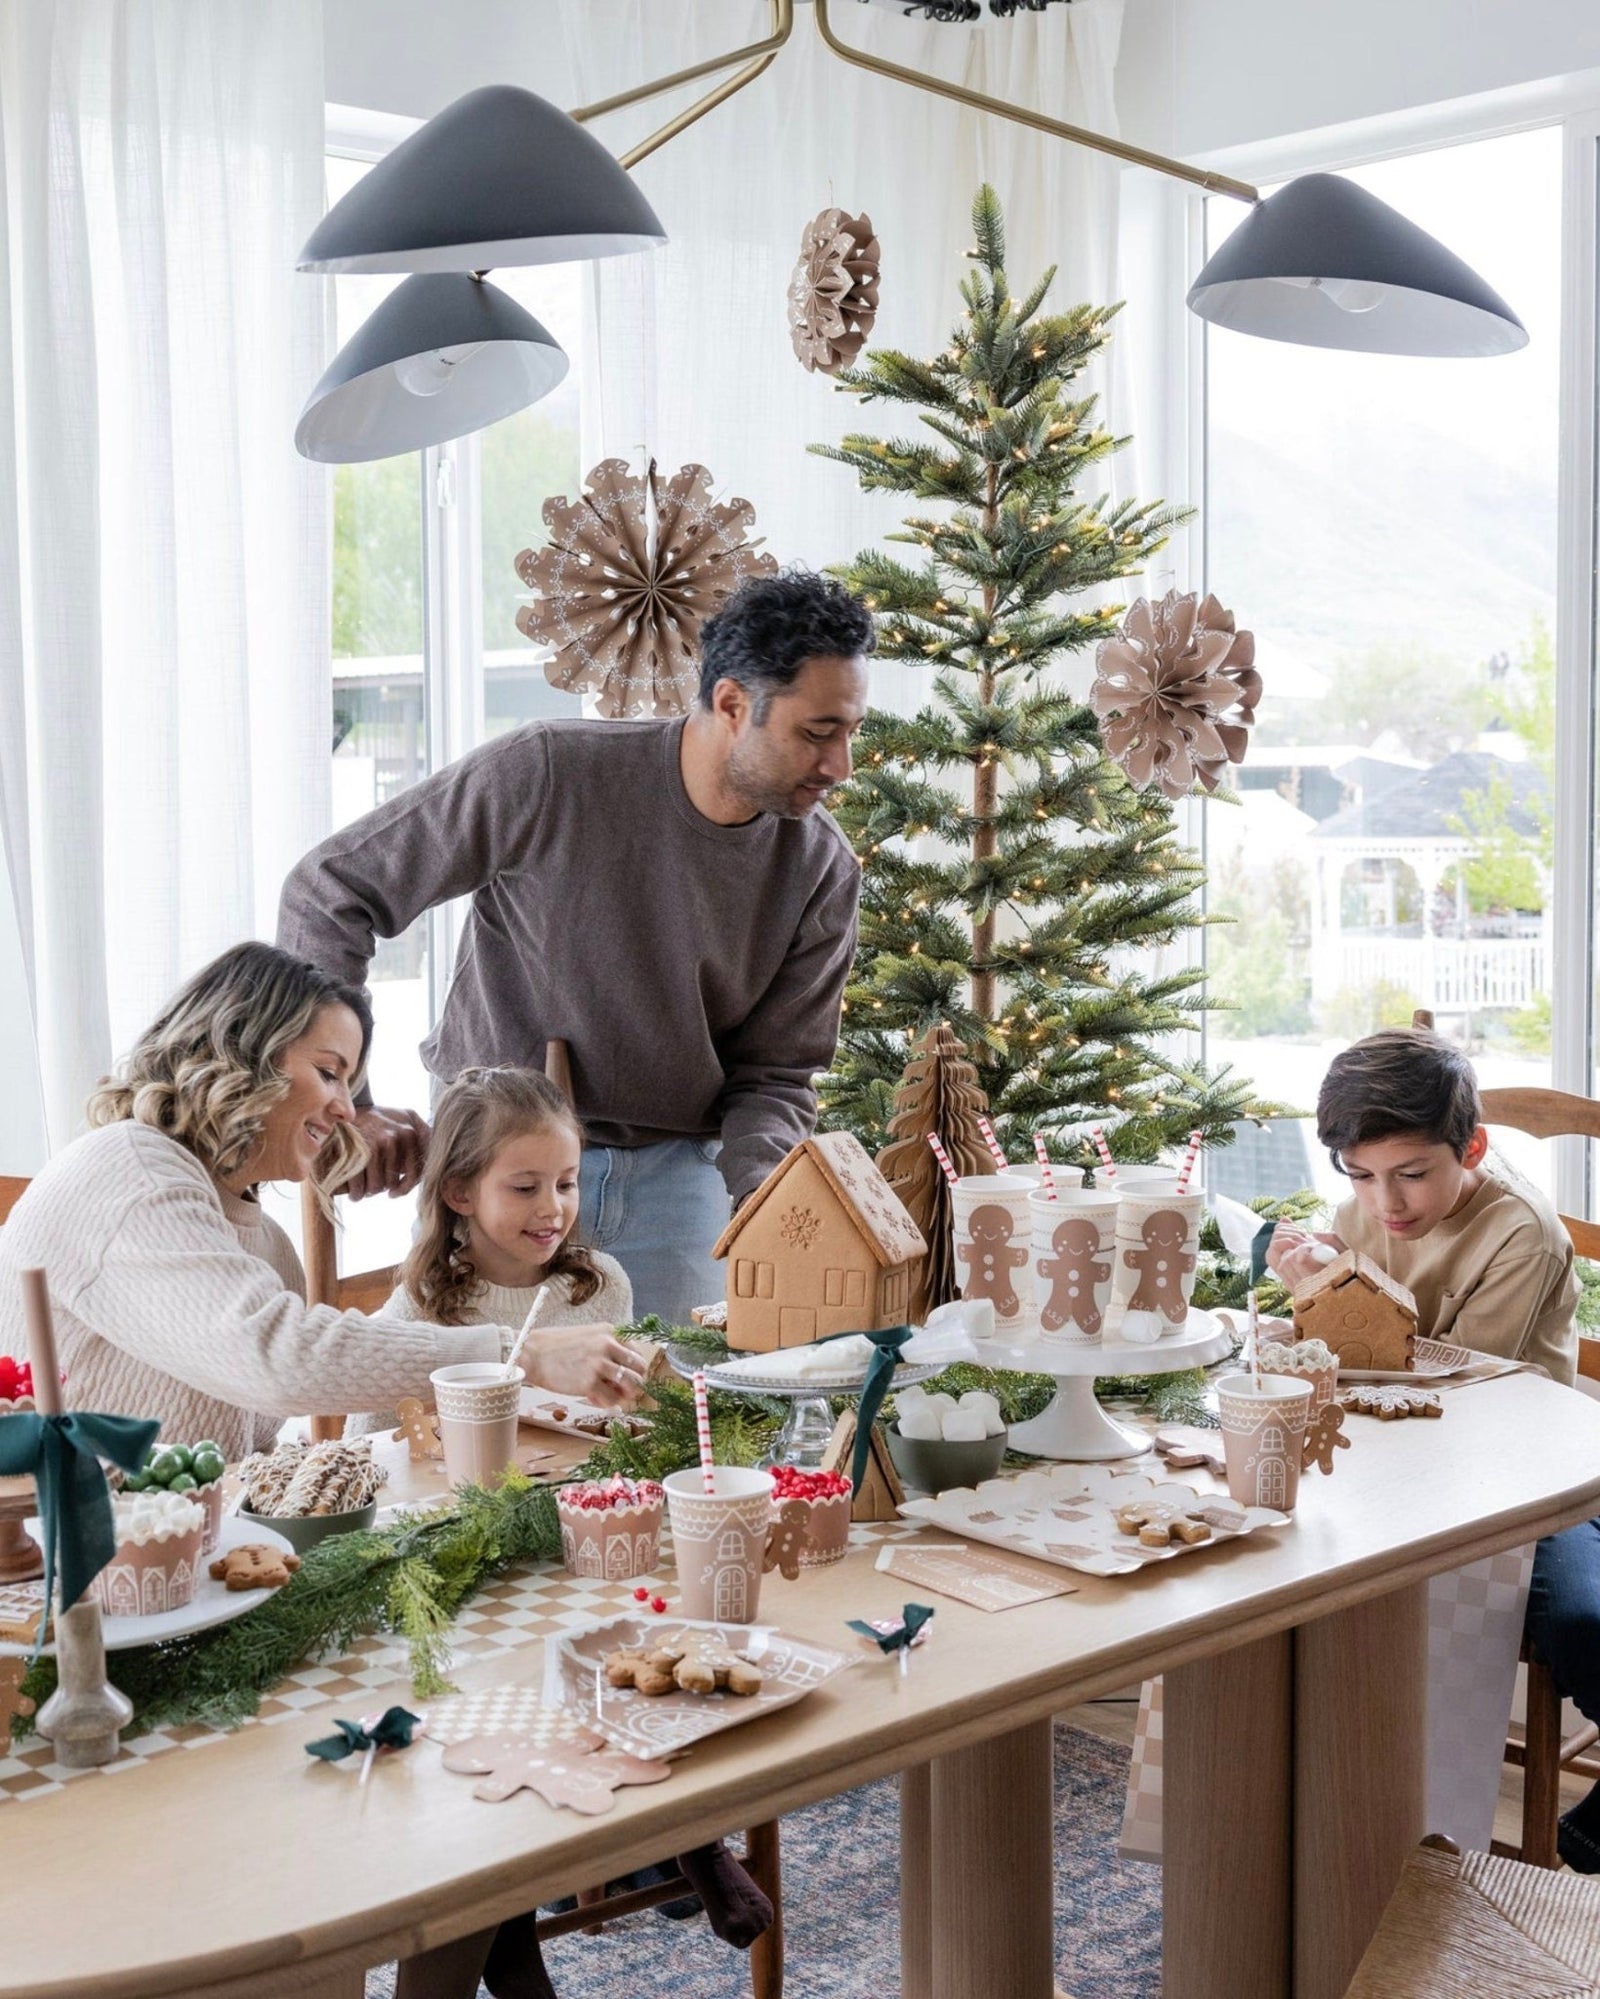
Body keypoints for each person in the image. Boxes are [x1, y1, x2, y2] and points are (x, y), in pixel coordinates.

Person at [278, 568, 873, 1325]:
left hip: (682, 1186)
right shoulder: (549, 772)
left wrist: (764, 1198)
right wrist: (349, 1100)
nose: (840, 766)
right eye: (817, 734)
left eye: (851, 731)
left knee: (675, 1434)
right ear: (731, 704)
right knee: (479, 1434)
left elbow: (778, 1072)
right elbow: (329, 890)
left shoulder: (821, 867)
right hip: (500, 1174)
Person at [378, 1066, 771, 1999]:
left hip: (585, 1552)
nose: (554, 1207)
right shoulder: (426, 1311)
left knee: (629, 1641)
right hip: (471, 1564)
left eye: (566, 1180)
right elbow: (384, 1453)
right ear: (458, 1192)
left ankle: (673, 1837)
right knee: (494, 1697)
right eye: (525, 1186)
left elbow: (632, 1428)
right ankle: (667, 1853)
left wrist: (653, 1396)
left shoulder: (599, 1286)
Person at [0, 943, 643, 1456]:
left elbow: (251, 1441)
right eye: (330, 1071)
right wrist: (517, 1355)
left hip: (185, 1562)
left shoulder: (265, 1242)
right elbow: (278, 1359)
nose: (344, 1106)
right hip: (55, 1568)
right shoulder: (127, 1171)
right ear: (241, 1049)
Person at [1266, 1028, 1577, 1385]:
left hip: (1505, 1421)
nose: (1387, 1205)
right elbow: (1344, 1363)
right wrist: (1320, 1296)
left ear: (1472, 1149)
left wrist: (1345, 1305)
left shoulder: (1523, 1236)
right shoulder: (1356, 1216)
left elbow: (1457, 1380)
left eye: (1412, 1175)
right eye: (1361, 1175)